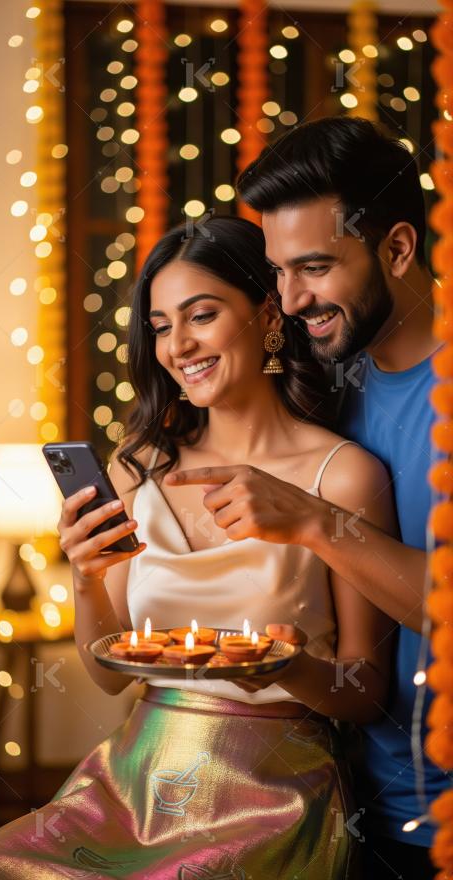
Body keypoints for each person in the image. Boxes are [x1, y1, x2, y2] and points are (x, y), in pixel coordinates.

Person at [0, 216, 396, 880]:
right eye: (162, 325)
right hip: (132, 777)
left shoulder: (342, 475)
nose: (179, 344)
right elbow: (111, 674)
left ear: (267, 314)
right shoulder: (136, 466)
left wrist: (285, 668)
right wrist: (87, 576)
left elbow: (366, 690)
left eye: (201, 315)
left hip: (270, 792)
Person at [164, 118, 446, 879]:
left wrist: (317, 522)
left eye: (314, 268)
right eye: (277, 271)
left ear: (396, 248)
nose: (289, 300)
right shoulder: (332, 381)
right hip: (351, 809)